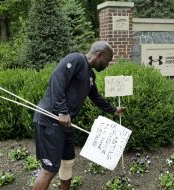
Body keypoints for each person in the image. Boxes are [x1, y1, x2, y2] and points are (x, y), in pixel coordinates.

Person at [32, 41, 124, 190]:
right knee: (49, 169)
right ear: (99, 55)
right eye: (107, 61)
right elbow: (57, 79)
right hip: (50, 119)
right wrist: (62, 111)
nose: (107, 65)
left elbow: (96, 97)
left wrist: (113, 110)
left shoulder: (90, 75)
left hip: (65, 124)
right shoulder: (75, 59)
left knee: (67, 163)